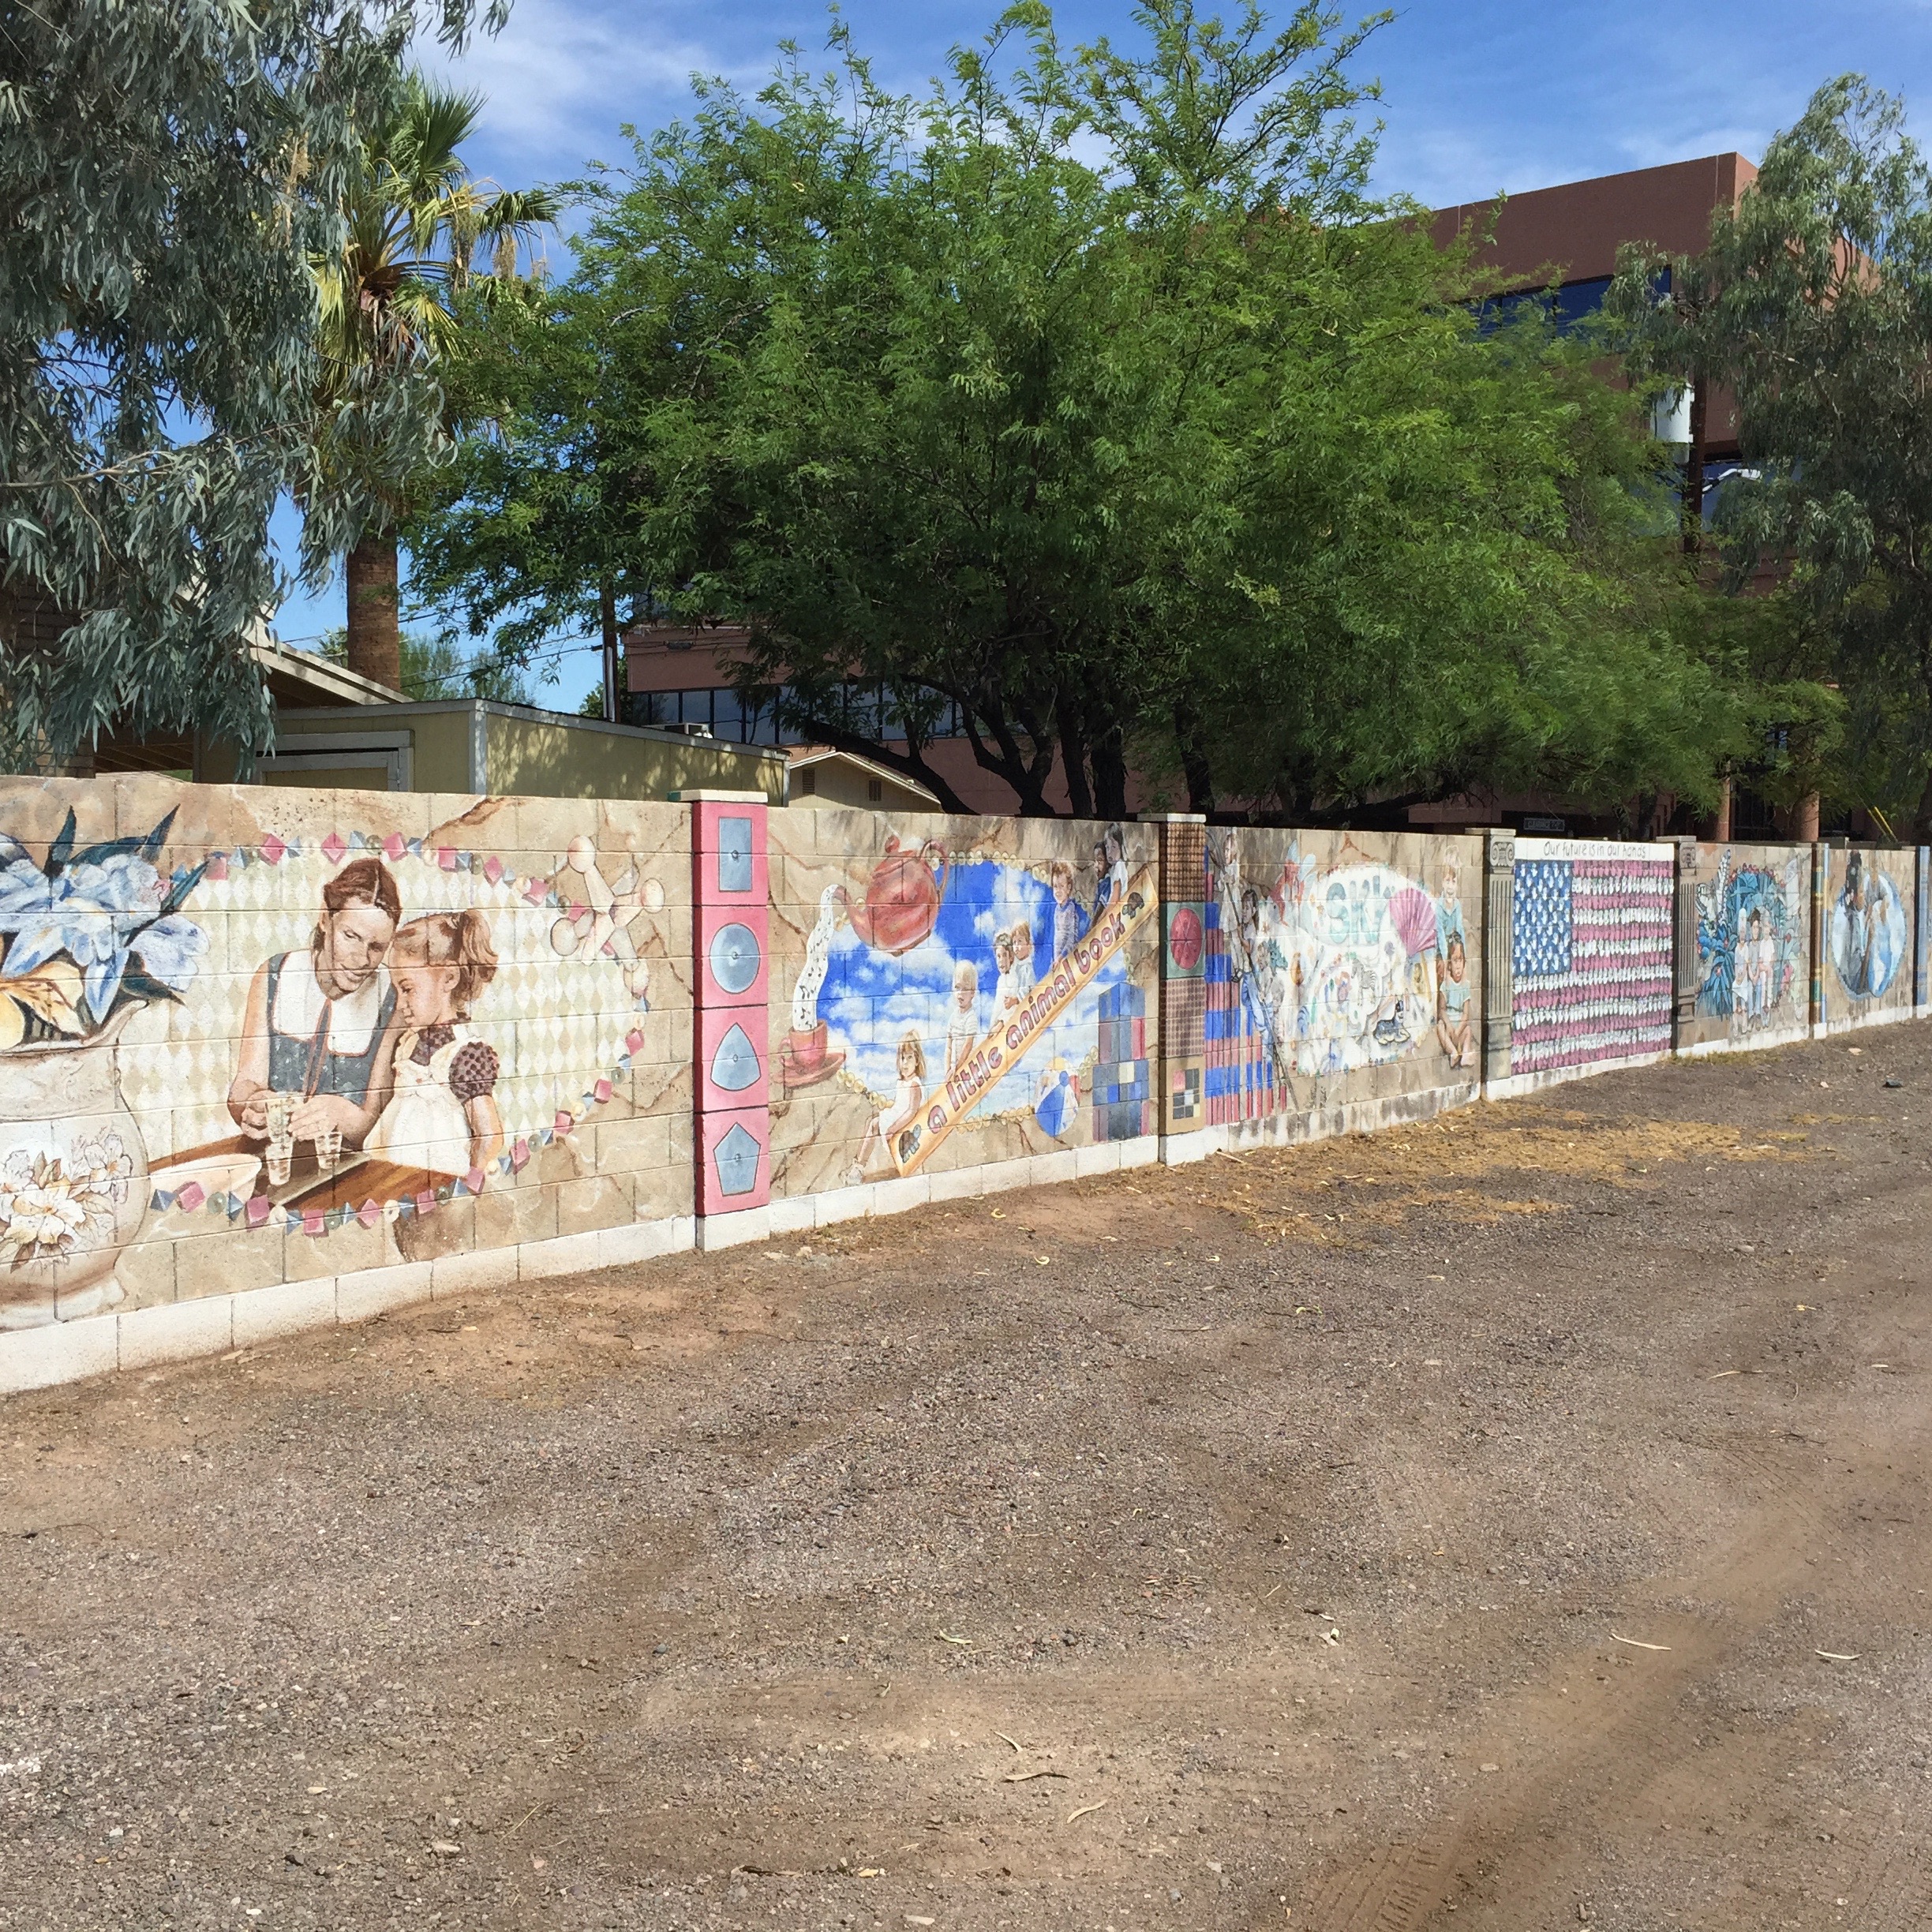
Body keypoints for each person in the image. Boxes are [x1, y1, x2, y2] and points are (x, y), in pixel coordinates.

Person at [227, 856, 401, 1150]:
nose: (361, 959)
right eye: (351, 936)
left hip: (346, 1168)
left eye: (376, 947)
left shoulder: (393, 997)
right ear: (325, 918)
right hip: (273, 1155)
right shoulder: (274, 974)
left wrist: (340, 1115)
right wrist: (255, 1103)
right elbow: (244, 1086)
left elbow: (372, 1122)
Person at [365, 911, 504, 1180]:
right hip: (397, 1175)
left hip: (440, 1180)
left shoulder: (464, 1053)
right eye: (396, 991)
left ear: (449, 979)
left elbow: (489, 1136)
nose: (400, 1004)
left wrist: (468, 1183)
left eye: (407, 989)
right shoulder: (409, 1042)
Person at [851, 1032, 925, 1182]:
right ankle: (858, 1163)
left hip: (906, 1121)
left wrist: (893, 1128)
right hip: (899, 1115)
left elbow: (911, 1112)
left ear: (917, 1061)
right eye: (902, 1058)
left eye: (909, 1058)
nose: (904, 1063)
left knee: (874, 1125)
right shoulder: (903, 1082)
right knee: (870, 1124)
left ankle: (859, 1166)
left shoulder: (914, 1085)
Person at [1436, 934, 1473, 1066]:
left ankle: (1466, 1054)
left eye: (1460, 960)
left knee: (1468, 1030)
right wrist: (1450, 1027)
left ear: (1464, 962)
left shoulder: (1465, 985)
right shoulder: (1446, 985)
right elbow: (1442, 1010)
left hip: (1460, 1027)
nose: (1458, 965)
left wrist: (1459, 1030)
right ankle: (1453, 1053)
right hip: (1449, 1027)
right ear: (1449, 965)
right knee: (1440, 1026)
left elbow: (1466, 1014)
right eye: (1455, 960)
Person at [945, 960, 981, 1073]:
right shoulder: (953, 1016)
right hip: (955, 1069)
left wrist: (957, 1068)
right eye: (957, 987)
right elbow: (948, 1047)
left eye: (965, 989)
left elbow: (968, 1045)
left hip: (968, 1069)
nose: (960, 993)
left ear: (972, 993)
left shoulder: (971, 1017)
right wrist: (948, 1070)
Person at [1049, 860, 1084, 961]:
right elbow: (1057, 938)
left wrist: (1062, 955)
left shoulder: (1070, 908)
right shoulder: (1057, 910)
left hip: (1067, 957)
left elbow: (1071, 937)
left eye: (1061, 886)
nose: (1058, 891)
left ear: (1068, 888)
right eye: (1055, 886)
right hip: (1058, 958)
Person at [1009, 916, 1037, 1002]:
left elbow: (1026, 991)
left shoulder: (1027, 968)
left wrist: (1014, 1000)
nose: (1016, 946)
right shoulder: (1018, 966)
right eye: (1014, 942)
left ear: (1028, 945)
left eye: (1020, 941)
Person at [991, 930, 1020, 1014]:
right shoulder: (1001, 980)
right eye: (998, 956)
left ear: (1011, 957)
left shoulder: (1015, 977)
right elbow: (997, 1007)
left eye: (1004, 955)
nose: (1001, 961)